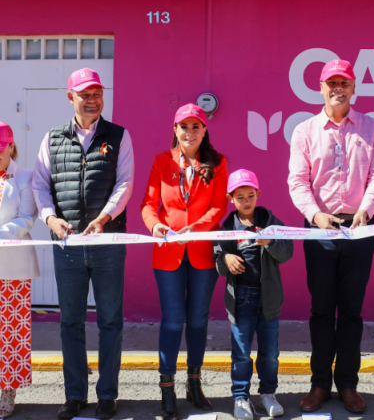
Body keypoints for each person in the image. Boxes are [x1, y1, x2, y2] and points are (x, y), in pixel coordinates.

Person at [288, 59, 374, 413]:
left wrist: (367, 208)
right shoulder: (305, 131)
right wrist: (316, 215)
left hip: (360, 229)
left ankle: (347, 384)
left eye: (343, 83)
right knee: (320, 311)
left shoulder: (372, 127)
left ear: (353, 87)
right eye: (331, 82)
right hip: (320, 231)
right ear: (320, 87)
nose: (338, 88)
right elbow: (298, 181)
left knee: (350, 312)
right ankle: (319, 384)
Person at [32, 68, 134, 420]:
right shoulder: (51, 138)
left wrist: (103, 218)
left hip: (107, 243)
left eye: (97, 93)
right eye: (84, 94)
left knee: (110, 322)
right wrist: (49, 218)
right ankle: (74, 395)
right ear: (70, 97)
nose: (92, 100)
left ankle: (107, 395)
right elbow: (40, 185)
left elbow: (124, 184)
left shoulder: (119, 136)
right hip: (68, 247)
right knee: (70, 323)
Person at [141, 103, 228, 420]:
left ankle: (194, 383)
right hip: (168, 253)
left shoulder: (218, 163)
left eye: (196, 126)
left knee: (199, 320)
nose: (190, 132)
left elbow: (219, 207)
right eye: (184, 126)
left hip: (202, 250)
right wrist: (156, 226)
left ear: (205, 130)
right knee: (173, 320)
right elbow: (148, 205)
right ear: (174, 130)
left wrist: (196, 228)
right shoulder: (161, 162)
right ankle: (167, 389)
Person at [213, 169, 293, 420]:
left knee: (269, 353)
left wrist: (269, 242)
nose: (246, 201)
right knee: (241, 353)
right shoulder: (227, 226)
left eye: (250, 195)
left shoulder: (271, 222)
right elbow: (217, 259)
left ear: (258, 194)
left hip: (268, 297)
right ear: (231, 199)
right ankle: (240, 397)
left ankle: (268, 394)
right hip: (241, 299)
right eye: (240, 197)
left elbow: (287, 253)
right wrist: (225, 258)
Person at [0, 122, 40, 418]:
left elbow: (27, 217)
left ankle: (8, 390)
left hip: (12, 265)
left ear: (11, 146)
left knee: (11, 331)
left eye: (0, 149)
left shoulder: (25, 176)